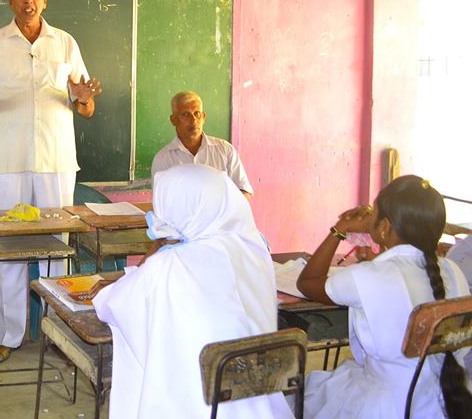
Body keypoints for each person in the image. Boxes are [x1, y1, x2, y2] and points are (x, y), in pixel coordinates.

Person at [0, 0, 101, 364]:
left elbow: (85, 108)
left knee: (58, 249)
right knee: (11, 249)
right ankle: (7, 335)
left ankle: (60, 334)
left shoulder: (65, 43)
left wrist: (84, 99)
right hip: (9, 161)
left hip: (56, 160)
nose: (28, 0)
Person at [91, 164, 292, 418]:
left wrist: (113, 287)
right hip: (258, 397)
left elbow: (113, 305)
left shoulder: (169, 265)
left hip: (199, 403)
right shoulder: (255, 251)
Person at [297, 175, 472, 418]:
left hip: (387, 405)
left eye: (374, 213)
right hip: (448, 401)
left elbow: (307, 282)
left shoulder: (367, 276)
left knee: (304, 395)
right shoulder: (453, 271)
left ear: (385, 226)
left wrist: (340, 230)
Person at [150, 90, 253, 197]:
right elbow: (161, 200)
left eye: (197, 113)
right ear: (174, 120)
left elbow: (244, 190)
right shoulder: (163, 159)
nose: (193, 120)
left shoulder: (225, 150)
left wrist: (229, 205)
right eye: (186, 114)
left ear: (203, 117)